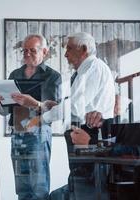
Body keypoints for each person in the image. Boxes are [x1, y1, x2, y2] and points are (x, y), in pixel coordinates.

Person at [0, 34, 61, 200]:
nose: (27, 53)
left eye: (32, 50)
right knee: (22, 188)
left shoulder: (53, 76)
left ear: (44, 51)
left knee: (39, 187)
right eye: (24, 50)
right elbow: (6, 110)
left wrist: (34, 103)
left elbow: (56, 112)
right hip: (17, 133)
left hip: (39, 134)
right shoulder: (15, 73)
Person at [50, 32, 116, 200]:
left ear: (84, 49)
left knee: (86, 187)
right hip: (83, 132)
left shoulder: (93, 67)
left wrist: (42, 115)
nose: (65, 54)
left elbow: (76, 107)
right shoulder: (84, 71)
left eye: (69, 49)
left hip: (89, 134)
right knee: (80, 184)